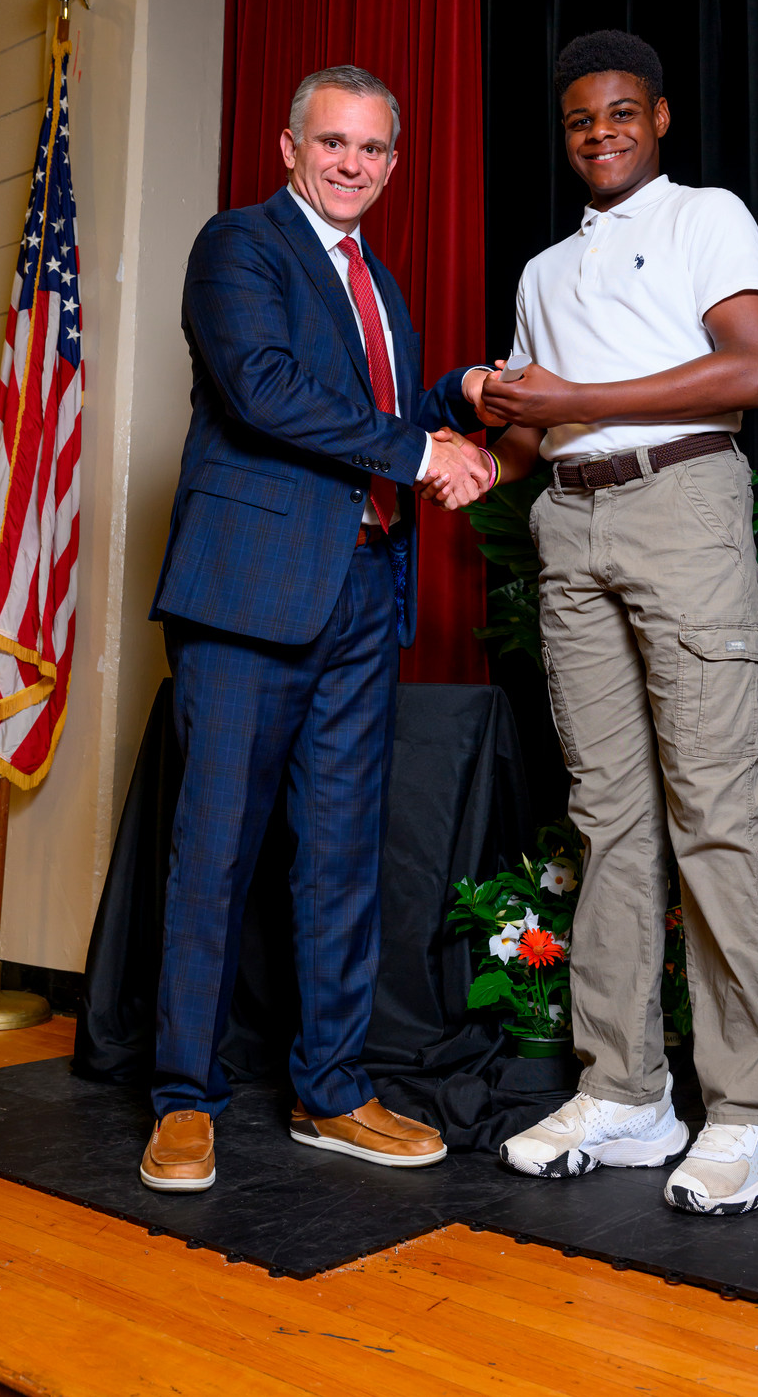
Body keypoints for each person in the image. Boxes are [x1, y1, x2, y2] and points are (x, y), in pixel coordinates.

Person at [140, 65, 492, 1191]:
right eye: (332, 142)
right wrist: (419, 452)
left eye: (374, 149)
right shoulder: (237, 246)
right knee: (213, 854)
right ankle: (183, 1099)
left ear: (393, 162)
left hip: (357, 595)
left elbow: (370, 424)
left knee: (340, 860)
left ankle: (331, 1089)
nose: (352, 163)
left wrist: (457, 399)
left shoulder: (377, 284)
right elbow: (263, 388)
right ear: (290, 146)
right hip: (248, 594)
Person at [479, 29, 758, 1215]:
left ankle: (751, 1113)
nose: (599, 132)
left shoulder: (706, 215)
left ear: (656, 118)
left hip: (681, 502)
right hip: (570, 524)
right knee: (608, 819)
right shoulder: (544, 271)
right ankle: (624, 1094)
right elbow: (525, 430)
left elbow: (749, 371)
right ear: (563, 135)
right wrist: (462, 452)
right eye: (578, 120)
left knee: (714, 808)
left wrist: (570, 401)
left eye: (620, 112)